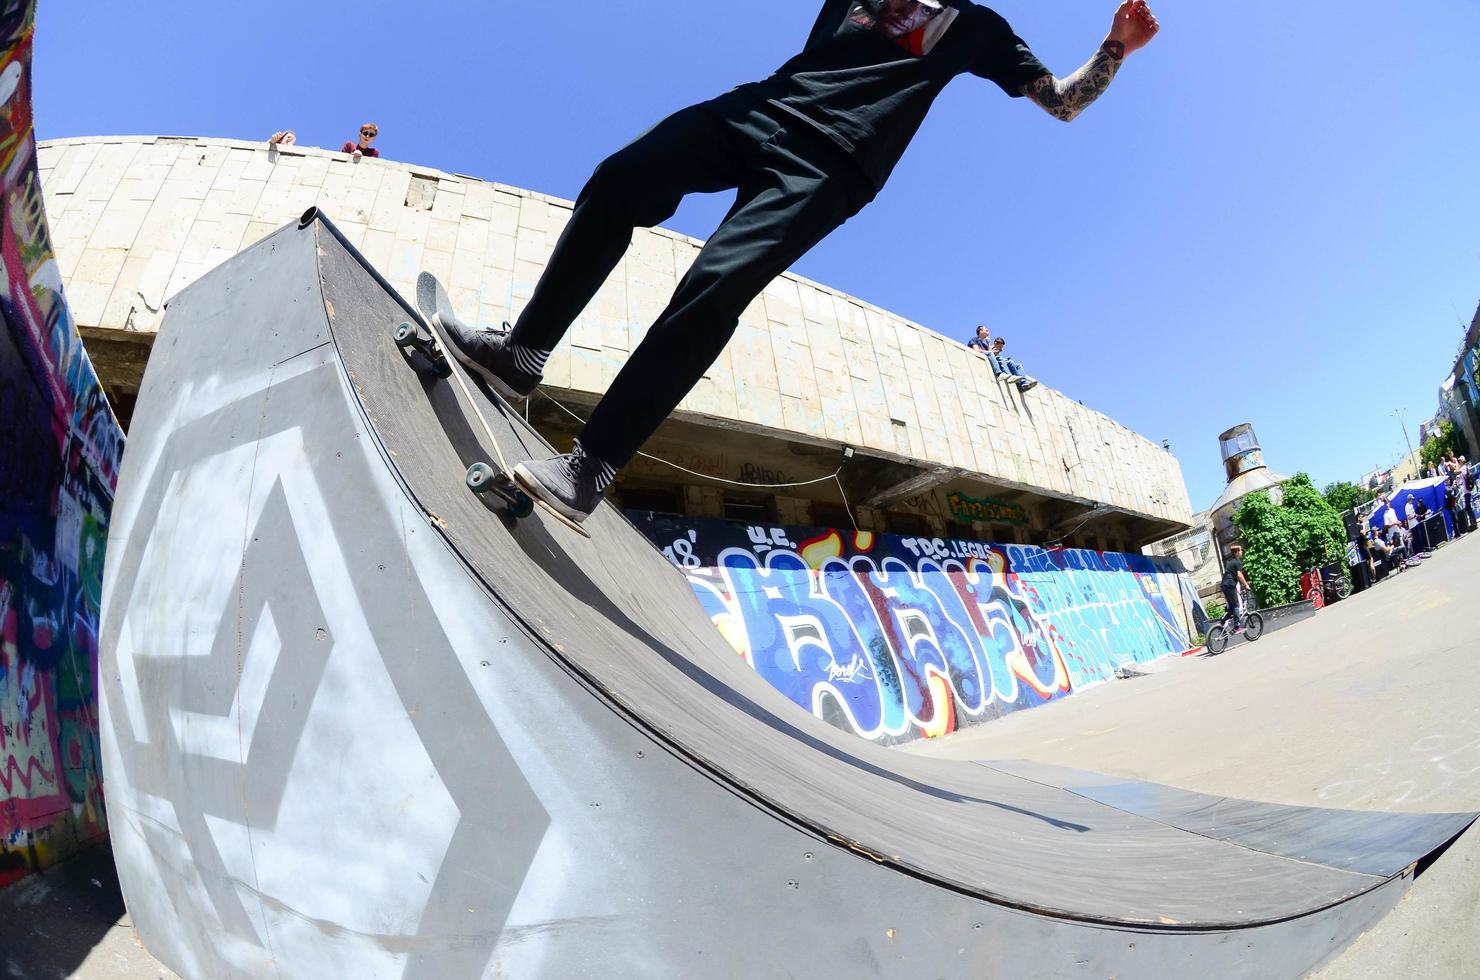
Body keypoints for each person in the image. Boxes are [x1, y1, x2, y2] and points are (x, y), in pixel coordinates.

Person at [433, 0, 1161, 521]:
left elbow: (1061, 101)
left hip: (832, 166)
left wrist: (1115, 46)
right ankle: (524, 351)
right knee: (624, 175)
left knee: (712, 287)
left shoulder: (977, 29)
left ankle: (592, 466)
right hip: (761, 109)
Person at [1220, 544, 1251, 632]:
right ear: (1237, 552)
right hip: (1230, 585)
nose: (1241, 552)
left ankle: (1222, 622)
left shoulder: (1230, 561)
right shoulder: (1237, 562)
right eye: (1240, 550)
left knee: (1231, 608)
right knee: (1236, 606)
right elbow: (1239, 575)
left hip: (1224, 585)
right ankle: (1237, 627)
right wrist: (1246, 585)